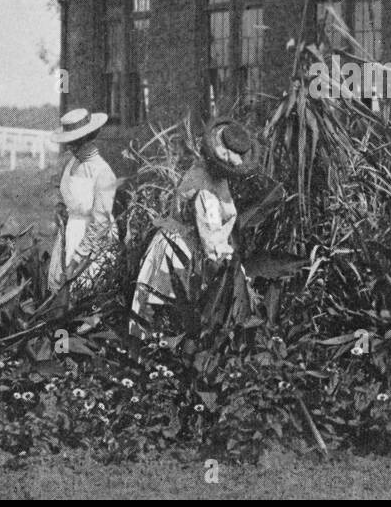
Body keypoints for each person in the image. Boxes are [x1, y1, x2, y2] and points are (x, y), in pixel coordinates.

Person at [130, 119, 260, 338]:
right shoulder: (204, 190)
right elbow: (211, 244)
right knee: (169, 320)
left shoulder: (210, 174)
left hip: (187, 246)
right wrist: (233, 273)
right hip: (181, 253)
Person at [48, 108, 120, 296]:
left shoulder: (102, 172)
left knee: (86, 295)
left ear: (89, 138)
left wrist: (77, 260)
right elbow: (61, 188)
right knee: (62, 296)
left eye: (76, 143)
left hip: (92, 243)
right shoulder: (71, 163)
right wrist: (60, 206)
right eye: (70, 143)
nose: (71, 147)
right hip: (71, 232)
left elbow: (100, 223)